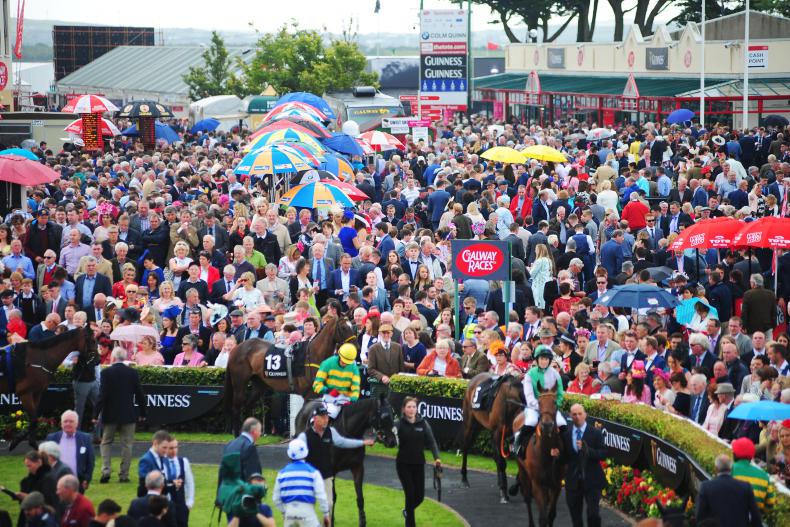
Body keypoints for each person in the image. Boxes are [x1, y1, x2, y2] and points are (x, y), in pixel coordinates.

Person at [295, 406, 372, 524]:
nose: (326, 420)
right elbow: (296, 454)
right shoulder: (304, 436)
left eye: (327, 417)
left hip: (326, 475)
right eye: (323, 417)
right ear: (315, 419)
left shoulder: (331, 432)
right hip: (311, 476)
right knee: (307, 505)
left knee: (329, 504)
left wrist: (362, 442)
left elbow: (343, 442)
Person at [97, 347, 146, 484]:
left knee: (106, 442)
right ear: (125, 358)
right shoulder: (132, 373)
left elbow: (102, 395)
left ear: (112, 358)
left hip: (110, 413)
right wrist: (143, 412)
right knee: (127, 444)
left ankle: (106, 470)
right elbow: (140, 394)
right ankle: (124, 474)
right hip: (128, 414)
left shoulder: (106, 372)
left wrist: (95, 413)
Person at [512, 346, 567, 455]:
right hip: (534, 408)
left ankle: (565, 452)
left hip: (551, 409)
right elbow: (529, 396)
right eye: (542, 358)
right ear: (537, 359)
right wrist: (540, 407)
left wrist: (554, 405)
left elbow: (560, 393)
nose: (544, 361)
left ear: (549, 360)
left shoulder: (555, 374)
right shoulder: (530, 374)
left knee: (563, 424)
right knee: (531, 422)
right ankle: (518, 446)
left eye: (546, 359)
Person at [395, 397, 441, 527]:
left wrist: (437, 458)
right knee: (410, 494)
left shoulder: (423, 423)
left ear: (417, 409)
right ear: (404, 409)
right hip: (403, 464)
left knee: (419, 496)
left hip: (419, 464)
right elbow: (389, 438)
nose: (411, 409)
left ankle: (407, 511)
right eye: (409, 407)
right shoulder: (398, 423)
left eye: (414, 407)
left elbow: (432, 442)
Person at [562, 403, 606, 527]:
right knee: (576, 518)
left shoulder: (595, 433)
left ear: (585, 415)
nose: (577, 417)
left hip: (592, 480)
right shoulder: (566, 435)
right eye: (574, 414)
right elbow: (564, 458)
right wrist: (556, 454)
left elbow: (603, 453)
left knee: (593, 514)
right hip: (573, 481)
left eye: (580, 414)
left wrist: (588, 451)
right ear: (570, 416)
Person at [272, 439, 330, 527]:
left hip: (289, 513)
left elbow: (276, 498)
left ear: (289, 454)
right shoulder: (313, 472)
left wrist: (284, 512)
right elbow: (321, 496)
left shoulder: (282, 473)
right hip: (307, 512)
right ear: (306, 453)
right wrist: (326, 514)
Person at [696, 454, 761, 527]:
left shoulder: (706, 487)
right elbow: (755, 516)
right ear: (731, 468)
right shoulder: (746, 487)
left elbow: (700, 516)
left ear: (716, 469)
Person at [44, 411, 94, 492]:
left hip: (77, 483)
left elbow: (90, 461)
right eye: (65, 421)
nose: (68, 424)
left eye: (71, 421)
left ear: (76, 424)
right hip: (54, 482)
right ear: (61, 424)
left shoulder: (85, 438)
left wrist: (87, 479)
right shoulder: (52, 438)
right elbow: (44, 460)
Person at [313, 342, 361, 419]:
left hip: (346, 399)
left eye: (347, 363)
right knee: (332, 413)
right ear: (339, 355)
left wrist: (352, 400)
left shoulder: (354, 369)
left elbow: (356, 389)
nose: (344, 364)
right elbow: (316, 385)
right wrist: (328, 390)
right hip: (329, 398)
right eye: (343, 361)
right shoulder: (327, 363)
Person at [731, 437, 776, 515]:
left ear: (734, 454)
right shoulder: (764, 476)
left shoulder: (728, 470)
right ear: (752, 456)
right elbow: (770, 504)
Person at [219, 418, 263, 483]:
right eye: (260, 431)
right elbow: (254, 476)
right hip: (242, 488)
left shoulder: (229, 444)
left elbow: (222, 474)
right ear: (254, 432)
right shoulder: (250, 447)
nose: (260, 434)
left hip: (227, 488)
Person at [163, 439, 194, 527]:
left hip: (181, 506)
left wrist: (189, 503)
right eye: (171, 448)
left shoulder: (183, 462)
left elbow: (190, 483)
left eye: (176, 447)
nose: (174, 451)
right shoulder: (161, 463)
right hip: (165, 505)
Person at [137, 431, 172, 498]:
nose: (166, 451)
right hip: (151, 501)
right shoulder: (146, 460)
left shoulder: (165, 458)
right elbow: (144, 485)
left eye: (168, 448)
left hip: (164, 499)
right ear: (155, 443)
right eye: (164, 447)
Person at [38, 442, 73, 508]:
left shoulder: (63, 470)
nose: (39, 459)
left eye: (41, 456)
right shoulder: (47, 469)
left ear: (50, 456)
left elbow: (66, 495)